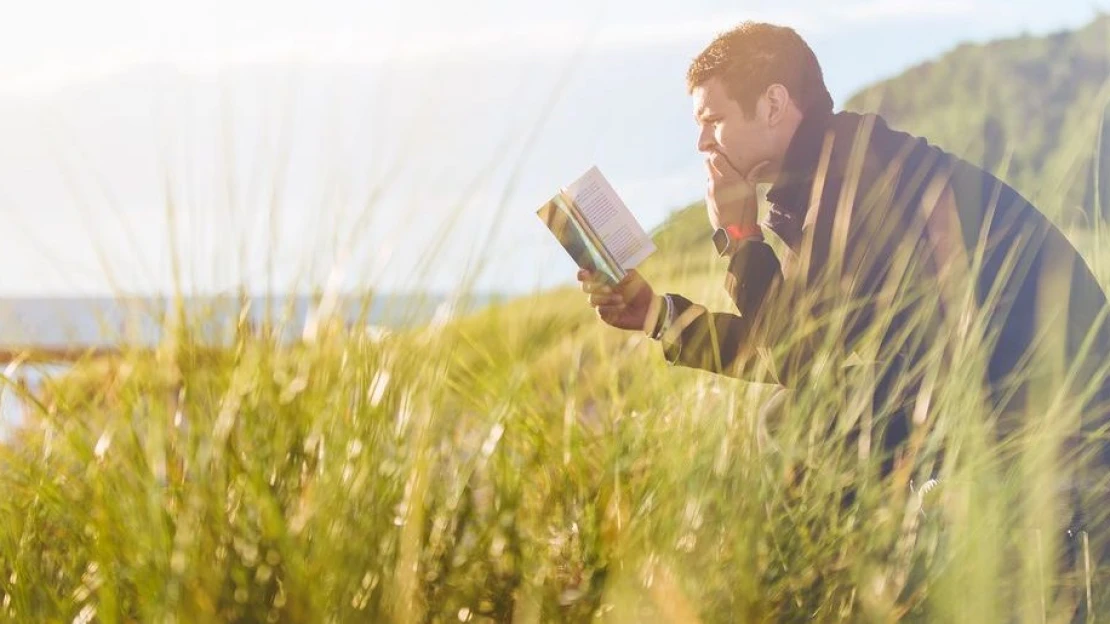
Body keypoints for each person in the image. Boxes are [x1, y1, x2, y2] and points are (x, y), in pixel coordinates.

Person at [577, 20, 1110, 591]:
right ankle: (872, 580)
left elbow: (794, 358)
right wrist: (656, 315)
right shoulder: (828, 175)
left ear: (774, 103)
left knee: (792, 419)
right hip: (1001, 396)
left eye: (713, 120)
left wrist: (737, 231)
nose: (703, 144)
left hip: (1057, 415)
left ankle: (863, 587)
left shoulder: (859, 175)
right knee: (802, 411)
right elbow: (794, 345)